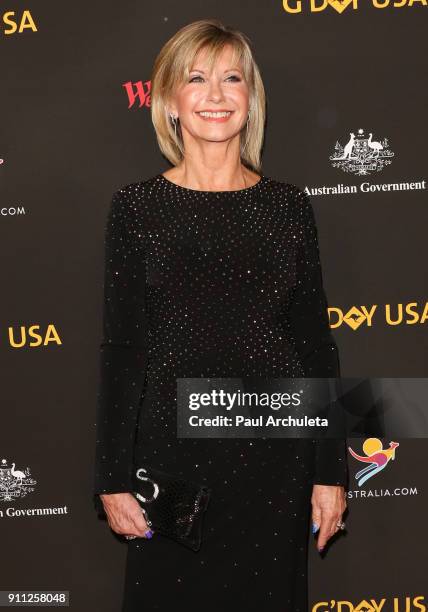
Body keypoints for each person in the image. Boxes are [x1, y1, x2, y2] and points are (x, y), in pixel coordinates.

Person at [93, 18, 348, 612]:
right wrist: (110, 476)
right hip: (172, 463)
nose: (215, 94)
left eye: (232, 78)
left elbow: (315, 346)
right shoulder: (136, 208)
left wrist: (329, 469)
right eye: (197, 78)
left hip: (274, 459)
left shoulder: (287, 205)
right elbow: (123, 350)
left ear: (250, 100)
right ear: (169, 102)